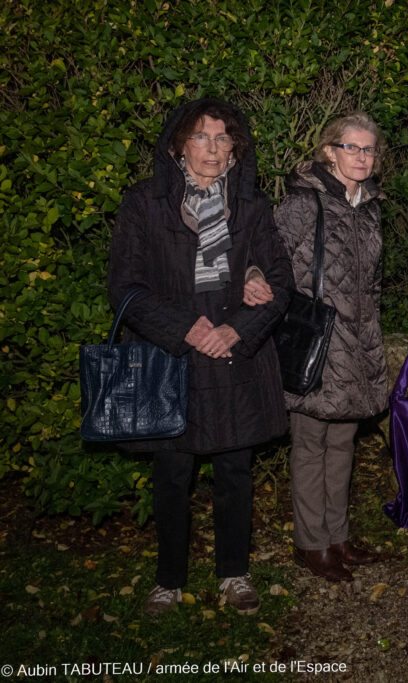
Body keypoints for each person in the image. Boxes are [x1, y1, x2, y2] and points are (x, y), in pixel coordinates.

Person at [107, 97, 294, 617]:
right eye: (201, 137)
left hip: (233, 355)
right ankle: (169, 579)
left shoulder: (252, 206)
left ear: (237, 147)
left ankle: (234, 574)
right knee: (172, 473)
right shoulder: (145, 203)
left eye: (223, 138)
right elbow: (125, 285)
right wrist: (185, 328)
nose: (212, 149)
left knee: (235, 470)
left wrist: (236, 327)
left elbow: (281, 280)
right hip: (174, 357)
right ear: (177, 144)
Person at [272, 113, 388, 583]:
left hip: (358, 342)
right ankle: (311, 543)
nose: (362, 157)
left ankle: (337, 536)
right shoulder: (304, 203)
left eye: (369, 149)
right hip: (315, 342)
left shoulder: (371, 204)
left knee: (342, 442)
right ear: (329, 152)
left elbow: (374, 282)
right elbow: (270, 264)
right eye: (352, 148)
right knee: (310, 444)